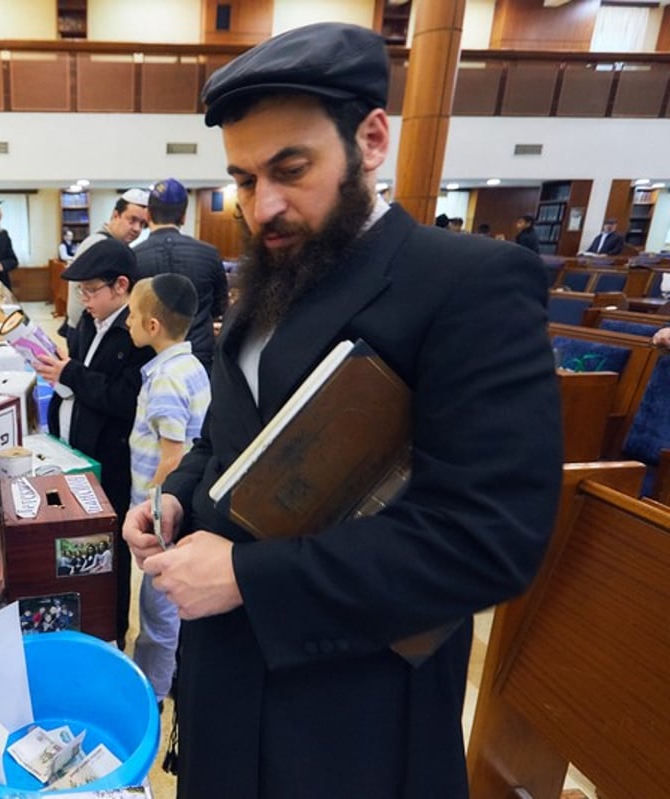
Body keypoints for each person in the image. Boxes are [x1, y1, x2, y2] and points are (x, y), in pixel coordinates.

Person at [121, 22, 562, 798]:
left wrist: (251, 578)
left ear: (371, 137)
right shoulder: (266, 276)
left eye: (291, 169)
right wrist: (178, 495)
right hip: (227, 686)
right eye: (244, 180)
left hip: (350, 714)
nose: (265, 206)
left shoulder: (466, 283)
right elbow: (231, 438)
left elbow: (488, 538)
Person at [34, 237, 154, 648]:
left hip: (112, 458)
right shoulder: (88, 321)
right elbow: (80, 376)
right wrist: (59, 374)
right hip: (75, 451)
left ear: (121, 286)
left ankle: (111, 633)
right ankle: (77, 627)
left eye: (90, 291)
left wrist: (70, 376)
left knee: (109, 551)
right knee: (76, 544)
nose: (84, 300)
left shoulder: (137, 331)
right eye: (80, 291)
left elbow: (125, 399)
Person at [125, 273, 211, 707]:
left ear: (153, 326)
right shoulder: (190, 365)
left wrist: (153, 516)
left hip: (164, 516)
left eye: (132, 315)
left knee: (157, 611)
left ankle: (150, 694)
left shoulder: (165, 381)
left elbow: (173, 457)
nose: (128, 323)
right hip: (183, 507)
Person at [133, 178, 229, 371]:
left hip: (149, 359)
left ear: (148, 214)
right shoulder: (208, 254)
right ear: (184, 216)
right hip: (198, 357)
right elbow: (219, 307)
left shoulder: (133, 257)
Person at [61, 188, 149, 342]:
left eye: (142, 224)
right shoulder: (99, 245)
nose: (137, 229)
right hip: (86, 330)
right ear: (115, 215)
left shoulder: (116, 246)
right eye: (132, 220)